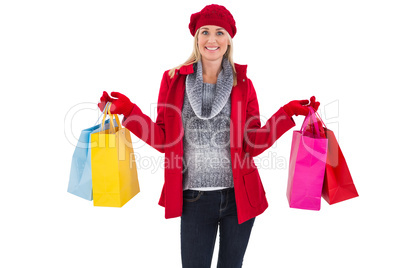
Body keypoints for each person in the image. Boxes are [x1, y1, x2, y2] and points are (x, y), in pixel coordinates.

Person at [98, 4, 320, 268]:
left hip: (239, 197)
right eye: (205, 32)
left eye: (219, 32)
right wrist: (129, 112)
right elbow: (163, 139)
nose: (212, 39)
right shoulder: (173, 80)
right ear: (196, 37)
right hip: (194, 198)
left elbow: (254, 143)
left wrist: (288, 113)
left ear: (229, 39)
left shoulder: (243, 83)